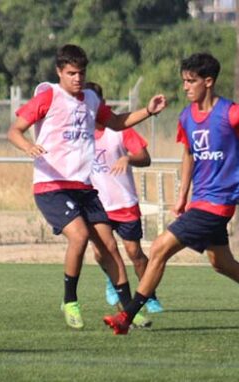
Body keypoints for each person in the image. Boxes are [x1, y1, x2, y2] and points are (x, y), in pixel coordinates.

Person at [103, 52, 239, 336]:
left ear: (208, 82)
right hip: (200, 201)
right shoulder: (187, 116)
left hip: (219, 203)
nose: (185, 86)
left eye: (191, 81)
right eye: (184, 80)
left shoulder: (232, 113)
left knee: (159, 248)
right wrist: (183, 194)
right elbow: (188, 153)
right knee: (221, 263)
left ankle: (127, 316)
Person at [7, 44, 166, 330]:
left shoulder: (91, 98)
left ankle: (129, 310)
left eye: (81, 72)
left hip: (83, 186)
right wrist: (28, 146)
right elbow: (14, 130)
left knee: (108, 246)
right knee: (79, 236)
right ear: (59, 72)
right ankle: (70, 300)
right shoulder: (49, 97)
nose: (77, 78)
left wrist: (148, 111)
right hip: (51, 185)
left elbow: (116, 122)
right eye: (71, 73)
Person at [85, 82, 164, 314]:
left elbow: (144, 157)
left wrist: (128, 158)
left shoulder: (119, 128)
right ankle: (113, 280)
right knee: (101, 252)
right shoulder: (80, 132)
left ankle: (149, 295)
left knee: (135, 254)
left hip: (124, 203)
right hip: (97, 205)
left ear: (102, 103)